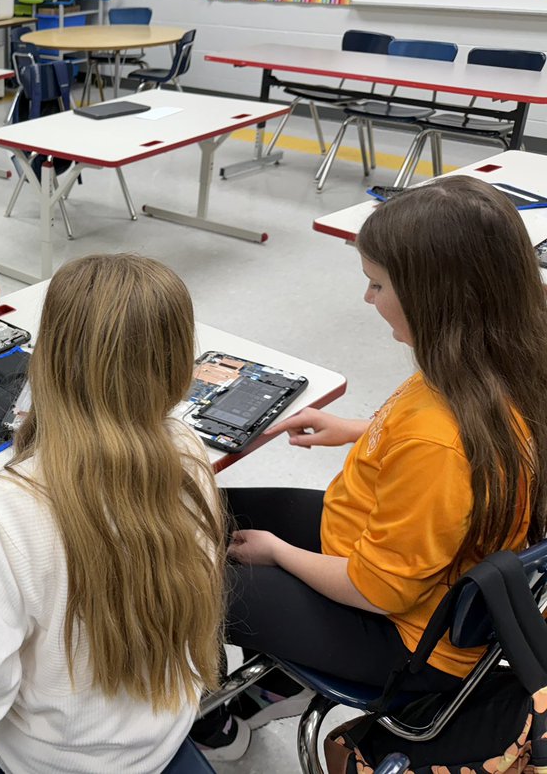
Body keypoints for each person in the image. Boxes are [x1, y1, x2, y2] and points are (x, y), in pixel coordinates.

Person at [193, 176, 547, 759]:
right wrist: (361, 432)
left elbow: (376, 588)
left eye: (377, 284)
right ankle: (281, 669)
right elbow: (455, 454)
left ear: (434, 298)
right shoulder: (495, 358)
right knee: (199, 507)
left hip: (403, 639)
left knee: (173, 577)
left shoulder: (440, 442)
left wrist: (278, 552)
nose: (367, 300)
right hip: (391, 557)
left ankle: (215, 720)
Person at [0, 254, 226, 773]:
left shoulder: (13, 503)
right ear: (178, 360)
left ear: (48, 359)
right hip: (159, 737)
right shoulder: (187, 450)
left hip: (53, 760)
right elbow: (105, 546)